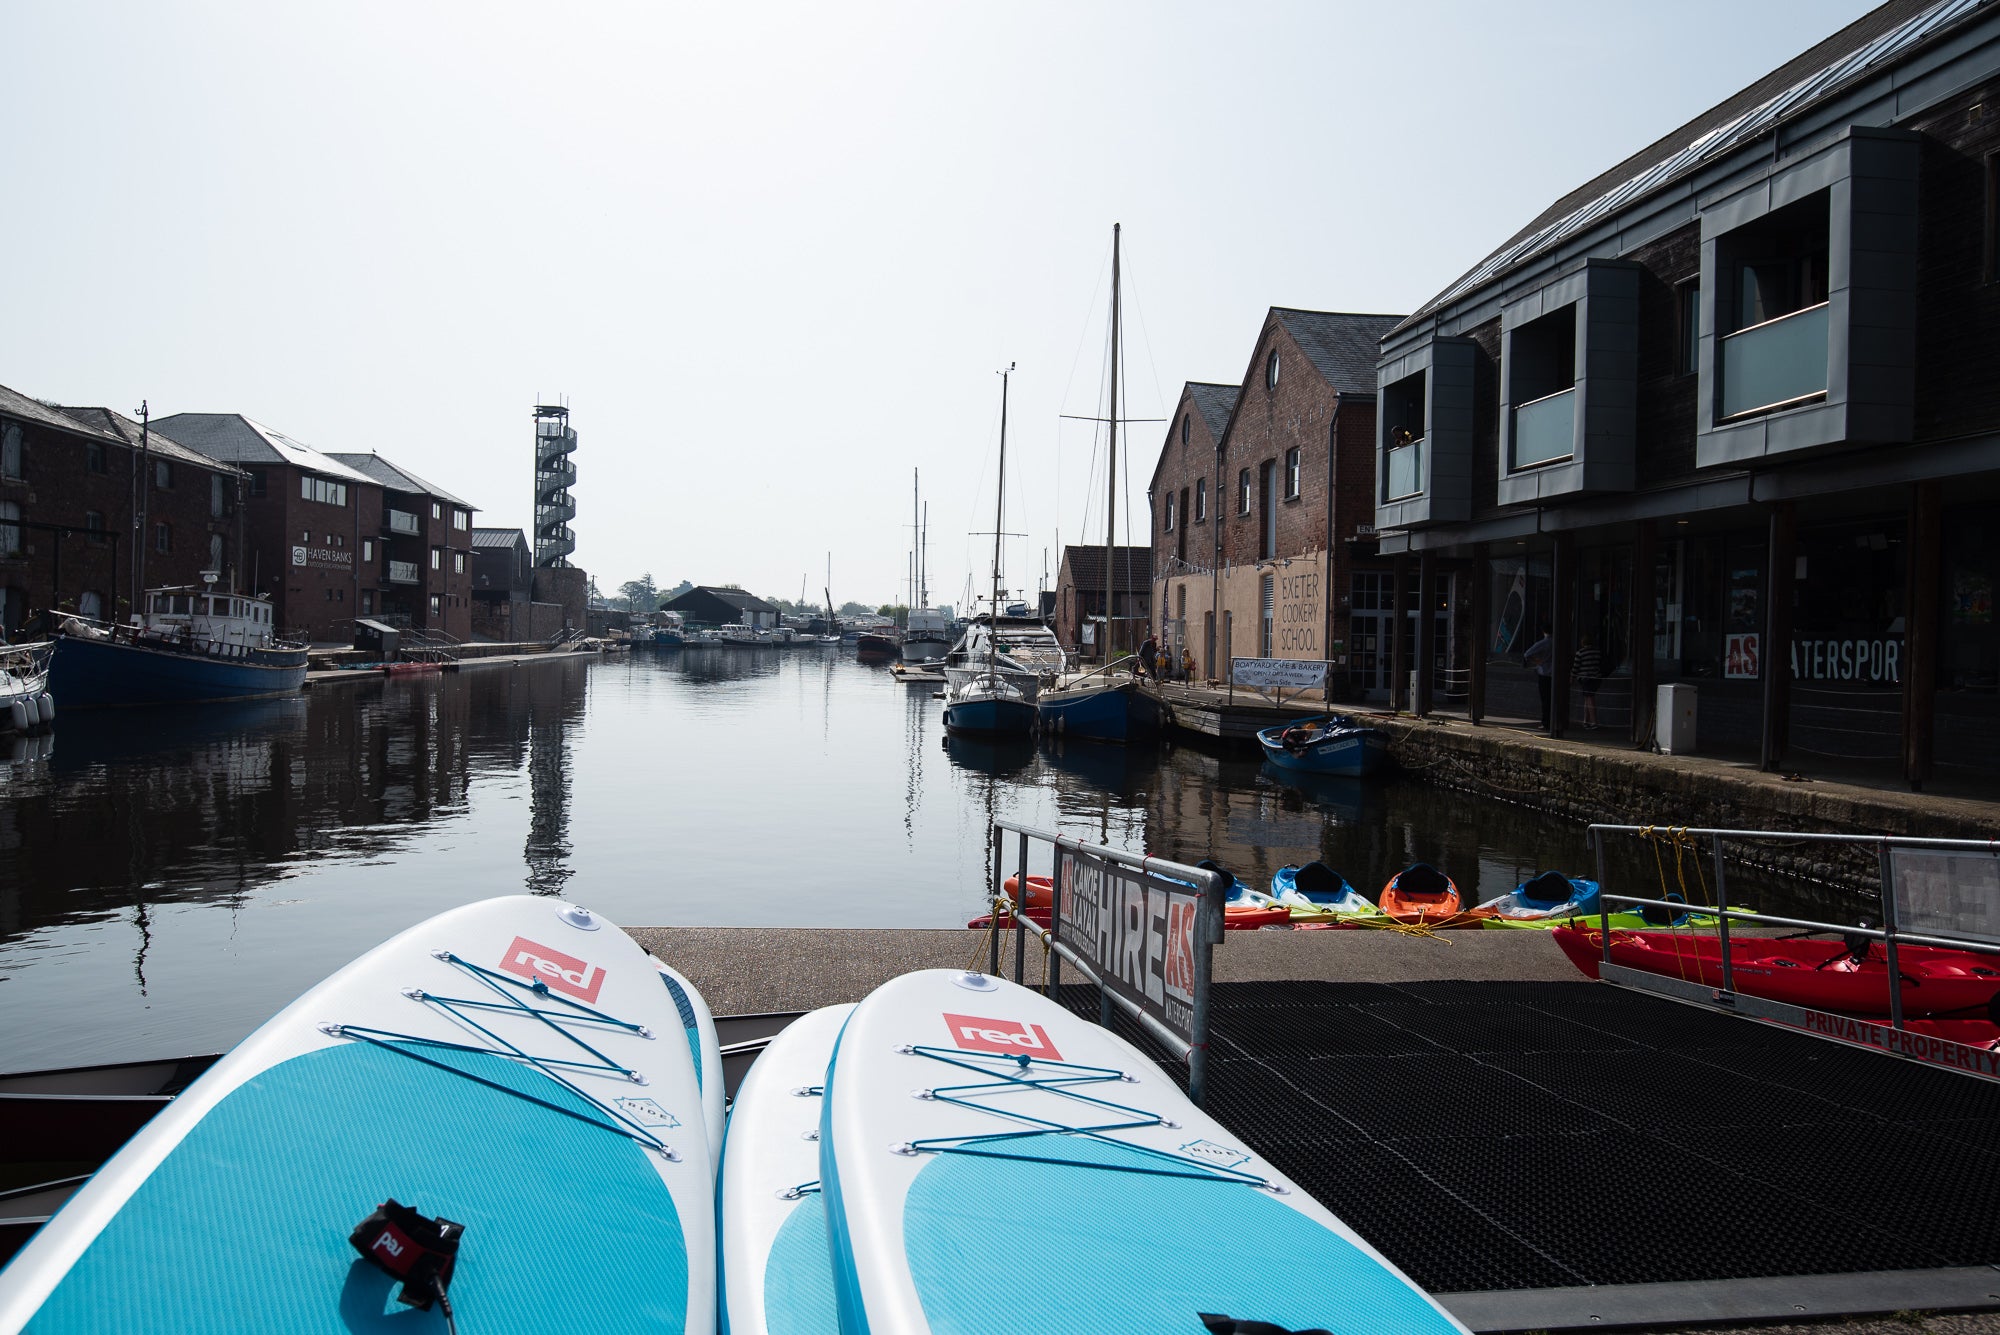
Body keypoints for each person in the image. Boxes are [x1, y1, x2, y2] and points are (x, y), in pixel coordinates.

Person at [1523, 625, 1553, 730]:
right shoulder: (1558, 642)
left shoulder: (1543, 643)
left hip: (1545, 673)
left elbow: (1527, 654)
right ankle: (1555, 720)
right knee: (1554, 700)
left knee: (1545, 700)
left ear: (1543, 631)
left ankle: (1546, 722)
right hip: (1556, 675)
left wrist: (1538, 661)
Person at [1573, 634, 1605, 731]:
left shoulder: (1580, 653)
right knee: (1588, 698)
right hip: (1596, 678)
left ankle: (1594, 722)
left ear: (1582, 643)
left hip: (1585, 679)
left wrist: (1572, 677)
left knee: (1589, 699)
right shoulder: (1597, 652)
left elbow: (1575, 667)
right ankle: (1586, 721)